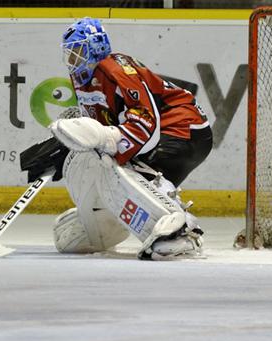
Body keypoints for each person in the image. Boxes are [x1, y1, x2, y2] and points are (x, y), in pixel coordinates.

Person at [44, 17, 213, 260]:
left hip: (185, 128)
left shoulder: (117, 72)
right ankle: (103, 222)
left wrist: (106, 139)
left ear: (96, 48)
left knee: (122, 167)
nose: (73, 60)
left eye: (78, 51)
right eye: (70, 54)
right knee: (107, 162)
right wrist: (72, 140)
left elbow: (145, 124)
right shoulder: (82, 77)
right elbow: (103, 123)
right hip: (165, 130)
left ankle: (182, 231)